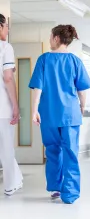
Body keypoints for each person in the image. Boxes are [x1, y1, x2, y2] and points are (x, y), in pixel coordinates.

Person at [28, 24, 90, 204]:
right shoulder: (75, 61)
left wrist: (34, 111)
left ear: (57, 38)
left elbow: (37, 88)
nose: (49, 40)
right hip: (70, 114)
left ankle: (56, 188)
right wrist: (82, 106)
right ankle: (70, 194)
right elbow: (82, 89)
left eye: (50, 37)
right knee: (70, 152)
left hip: (49, 113)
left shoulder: (44, 60)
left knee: (53, 150)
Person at [0, 14, 23, 195]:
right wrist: (15, 105)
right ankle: (9, 186)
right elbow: (8, 78)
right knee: (6, 147)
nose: (8, 30)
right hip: (3, 108)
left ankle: (16, 179)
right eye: (7, 26)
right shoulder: (5, 47)